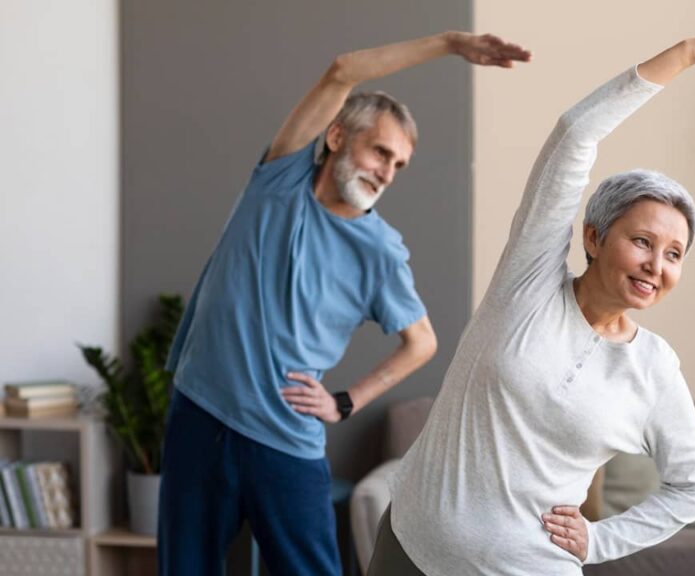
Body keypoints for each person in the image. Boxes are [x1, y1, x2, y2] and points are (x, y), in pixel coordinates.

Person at [371, 33, 695, 575]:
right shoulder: (527, 285)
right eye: (642, 242)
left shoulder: (654, 368)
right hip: (411, 550)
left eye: (673, 254)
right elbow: (576, 133)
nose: (655, 265)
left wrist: (600, 541)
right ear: (593, 238)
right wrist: (687, 54)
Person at [157, 32, 531, 576]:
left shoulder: (381, 252)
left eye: (399, 165)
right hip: (199, 415)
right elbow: (342, 71)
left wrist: (346, 401)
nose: (386, 172)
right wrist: (451, 44)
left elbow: (422, 342)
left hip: (284, 441)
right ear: (335, 136)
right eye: (381, 151)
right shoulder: (279, 179)